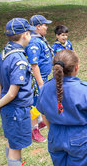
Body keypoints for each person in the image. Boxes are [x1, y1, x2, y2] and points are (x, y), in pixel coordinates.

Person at [0, 18, 36, 166]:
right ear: (25, 34)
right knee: (16, 147)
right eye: (30, 33)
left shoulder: (3, 53)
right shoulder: (18, 59)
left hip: (8, 109)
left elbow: (0, 83)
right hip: (16, 110)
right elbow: (12, 93)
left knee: (11, 140)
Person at [25, 14, 53, 143]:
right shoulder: (34, 42)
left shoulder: (40, 39)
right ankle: (33, 129)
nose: (46, 27)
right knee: (34, 104)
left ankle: (40, 121)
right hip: (37, 78)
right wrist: (40, 84)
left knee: (40, 102)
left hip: (43, 77)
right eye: (45, 25)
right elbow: (34, 64)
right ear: (38, 26)